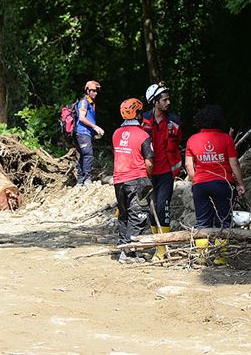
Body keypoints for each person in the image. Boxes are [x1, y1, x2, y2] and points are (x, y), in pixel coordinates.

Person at [185, 105, 246, 229]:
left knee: (202, 223)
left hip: (200, 185)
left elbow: (188, 165)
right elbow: (234, 164)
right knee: (224, 221)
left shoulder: (192, 140)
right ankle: (222, 248)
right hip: (222, 184)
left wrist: (195, 179)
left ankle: (201, 248)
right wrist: (240, 184)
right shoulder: (226, 139)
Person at [142, 82, 182, 259]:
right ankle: (156, 243)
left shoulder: (174, 121)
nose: (168, 103)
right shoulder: (142, 121)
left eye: (168, 99)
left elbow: (177, 142)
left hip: (166, 171)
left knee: (162, 206)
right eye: (164, 100)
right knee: (151, 209)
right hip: (148, 172)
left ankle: (162, 248)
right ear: (154, 101)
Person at [112, 98, 154, 264]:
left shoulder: (116, 134)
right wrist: (149, 178)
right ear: (137, 113)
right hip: (137, 179)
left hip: (119, 180)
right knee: (138, 215)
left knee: (124, 214)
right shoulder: (143, 135)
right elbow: (149, 161)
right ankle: (129, 253)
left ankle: (123, 245)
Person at [74, 80, 105, 186]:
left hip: (86, 133)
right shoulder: (84, 102)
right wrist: (95, 127)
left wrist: (94, 132)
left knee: (83, 155)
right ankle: (86, 179)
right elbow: (82, 118)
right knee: (87, 154)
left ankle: (80, 181)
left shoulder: (91, 103)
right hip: (82, 132)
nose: (95, 93)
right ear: (87, 90)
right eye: (93, 91)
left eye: (96, 91)